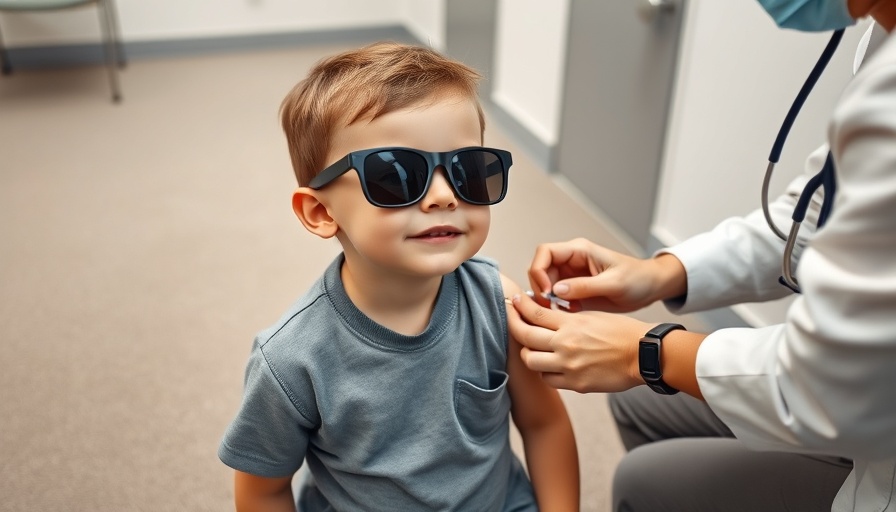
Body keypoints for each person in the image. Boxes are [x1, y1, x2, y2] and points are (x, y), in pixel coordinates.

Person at [505, 1, 896, 511]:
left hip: (864, 419)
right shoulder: (880, 45)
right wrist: (656, 274)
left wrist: (641, 351)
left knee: (642, 483)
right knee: (637, 402)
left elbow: (834, 385)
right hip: (853, 389)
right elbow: (813, 213)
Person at [217, 42, 579, 512]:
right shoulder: (291, 361)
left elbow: (544, 424)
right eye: (398, 176)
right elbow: (262, 489)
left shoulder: (497, 303)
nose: (445, 196)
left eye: (469, 170)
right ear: (322, 211)